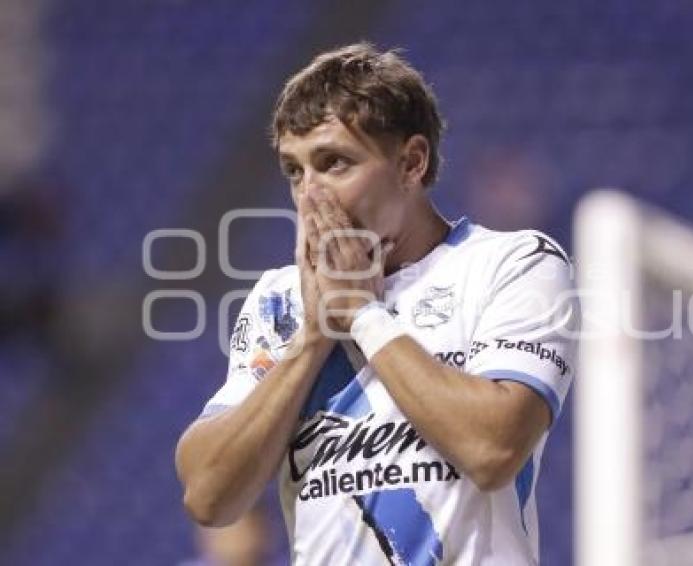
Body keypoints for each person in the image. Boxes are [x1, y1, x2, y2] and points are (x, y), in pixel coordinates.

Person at [175, 43, 579, 565]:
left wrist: (365, 317)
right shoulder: (281, 300)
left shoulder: (513, 263)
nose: (311, 196)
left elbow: (492, 450)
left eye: (334, 163)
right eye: (295, 172)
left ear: (411, 163)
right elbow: (208, 494)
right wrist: (315, 337)